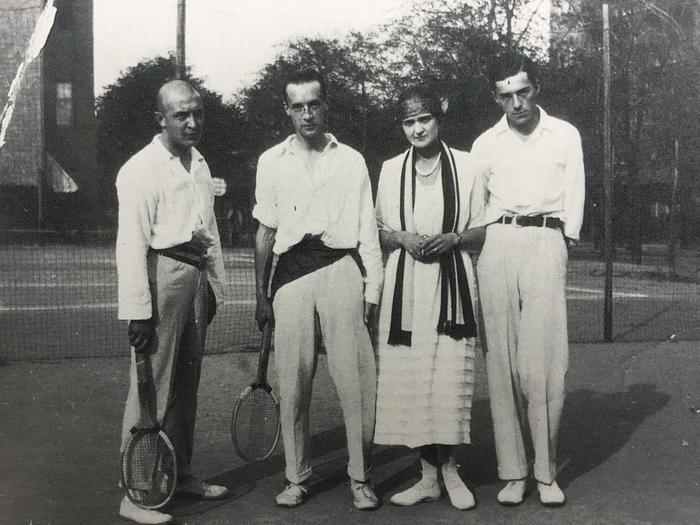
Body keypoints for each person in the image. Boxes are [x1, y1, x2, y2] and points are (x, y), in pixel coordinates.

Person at [253, 69, 383, 511]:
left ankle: (361, 479)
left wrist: (373, 290)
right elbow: (265, 233)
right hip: (290, 279)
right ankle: (297, 477)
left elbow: (368, 229)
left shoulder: (351, 160)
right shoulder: (271, 161)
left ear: (325, 105)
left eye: (314, 104)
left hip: (342, 270)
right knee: (292, 385)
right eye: (297, 106)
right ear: (287, 110)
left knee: (357, 383)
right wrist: (261, 295)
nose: (307, 114)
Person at [470, 50, 585, 507]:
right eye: (506, 96)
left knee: (546, 364)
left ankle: (545, 471)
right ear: (497, 99)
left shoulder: (565, 134)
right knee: (501, 362)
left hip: (545, 242)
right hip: (496, 246)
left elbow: (575, 192)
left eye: (523, 92)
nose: (516, 104)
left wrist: (560, 243)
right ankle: (513, 472)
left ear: (535, 89)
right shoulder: (485, 144)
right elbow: (477, 209)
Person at [115, 80, 229, 525]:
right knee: (150, 389)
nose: (192, 122)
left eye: (198, 113)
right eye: (181, 115)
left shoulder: (199, 163)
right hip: (160, 279)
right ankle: (136, 491)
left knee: (185, 388)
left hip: (194, 282)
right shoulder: (140, 169)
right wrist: (139, 312)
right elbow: (130, 245)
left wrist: (215, 288)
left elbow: (210, 232)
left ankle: (178, 475)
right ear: (160, 118)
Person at [373, 84, 485, 511]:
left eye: (424, 119)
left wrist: (454, 237)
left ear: (440, 115)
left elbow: (483, 228)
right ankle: (427, 477)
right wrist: (402, 236)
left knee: (449, 376)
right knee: (414, 379)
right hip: (407, 285)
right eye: (408, 122)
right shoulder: (388, 169)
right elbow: (379, 228)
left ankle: (452, 471)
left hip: (453, 280)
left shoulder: (469, 166)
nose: (417, 129)